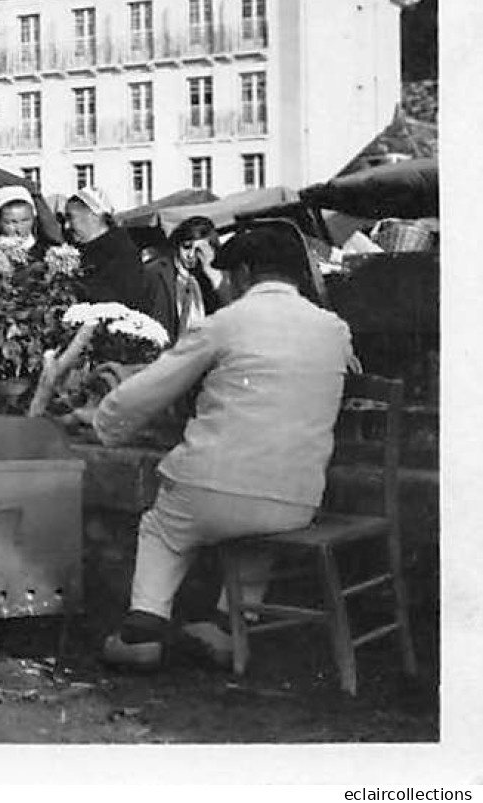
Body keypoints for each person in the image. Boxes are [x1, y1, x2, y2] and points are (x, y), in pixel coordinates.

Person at [82, 221, 355, 671]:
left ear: (245, 272)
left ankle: (141, 632)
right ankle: (230, 626)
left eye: (229, 275)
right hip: (295, 499)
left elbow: (150, 389)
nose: (225, 283)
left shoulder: (225, 323)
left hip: (212, 490)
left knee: (163, 529)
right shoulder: (334, 328)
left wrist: (104, 422)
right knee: (256, 532)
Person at [63, 186, 153, 313]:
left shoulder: (120, 252)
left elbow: (120, 301)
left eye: (71, 217)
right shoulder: (79, 249)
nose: (66, 226)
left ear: (93, 215)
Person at [143, 215, 228, 344]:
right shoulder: (157, 272)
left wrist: (211, 271)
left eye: (199, 250)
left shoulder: (211, 279)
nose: (191, 255)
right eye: (187, 247)